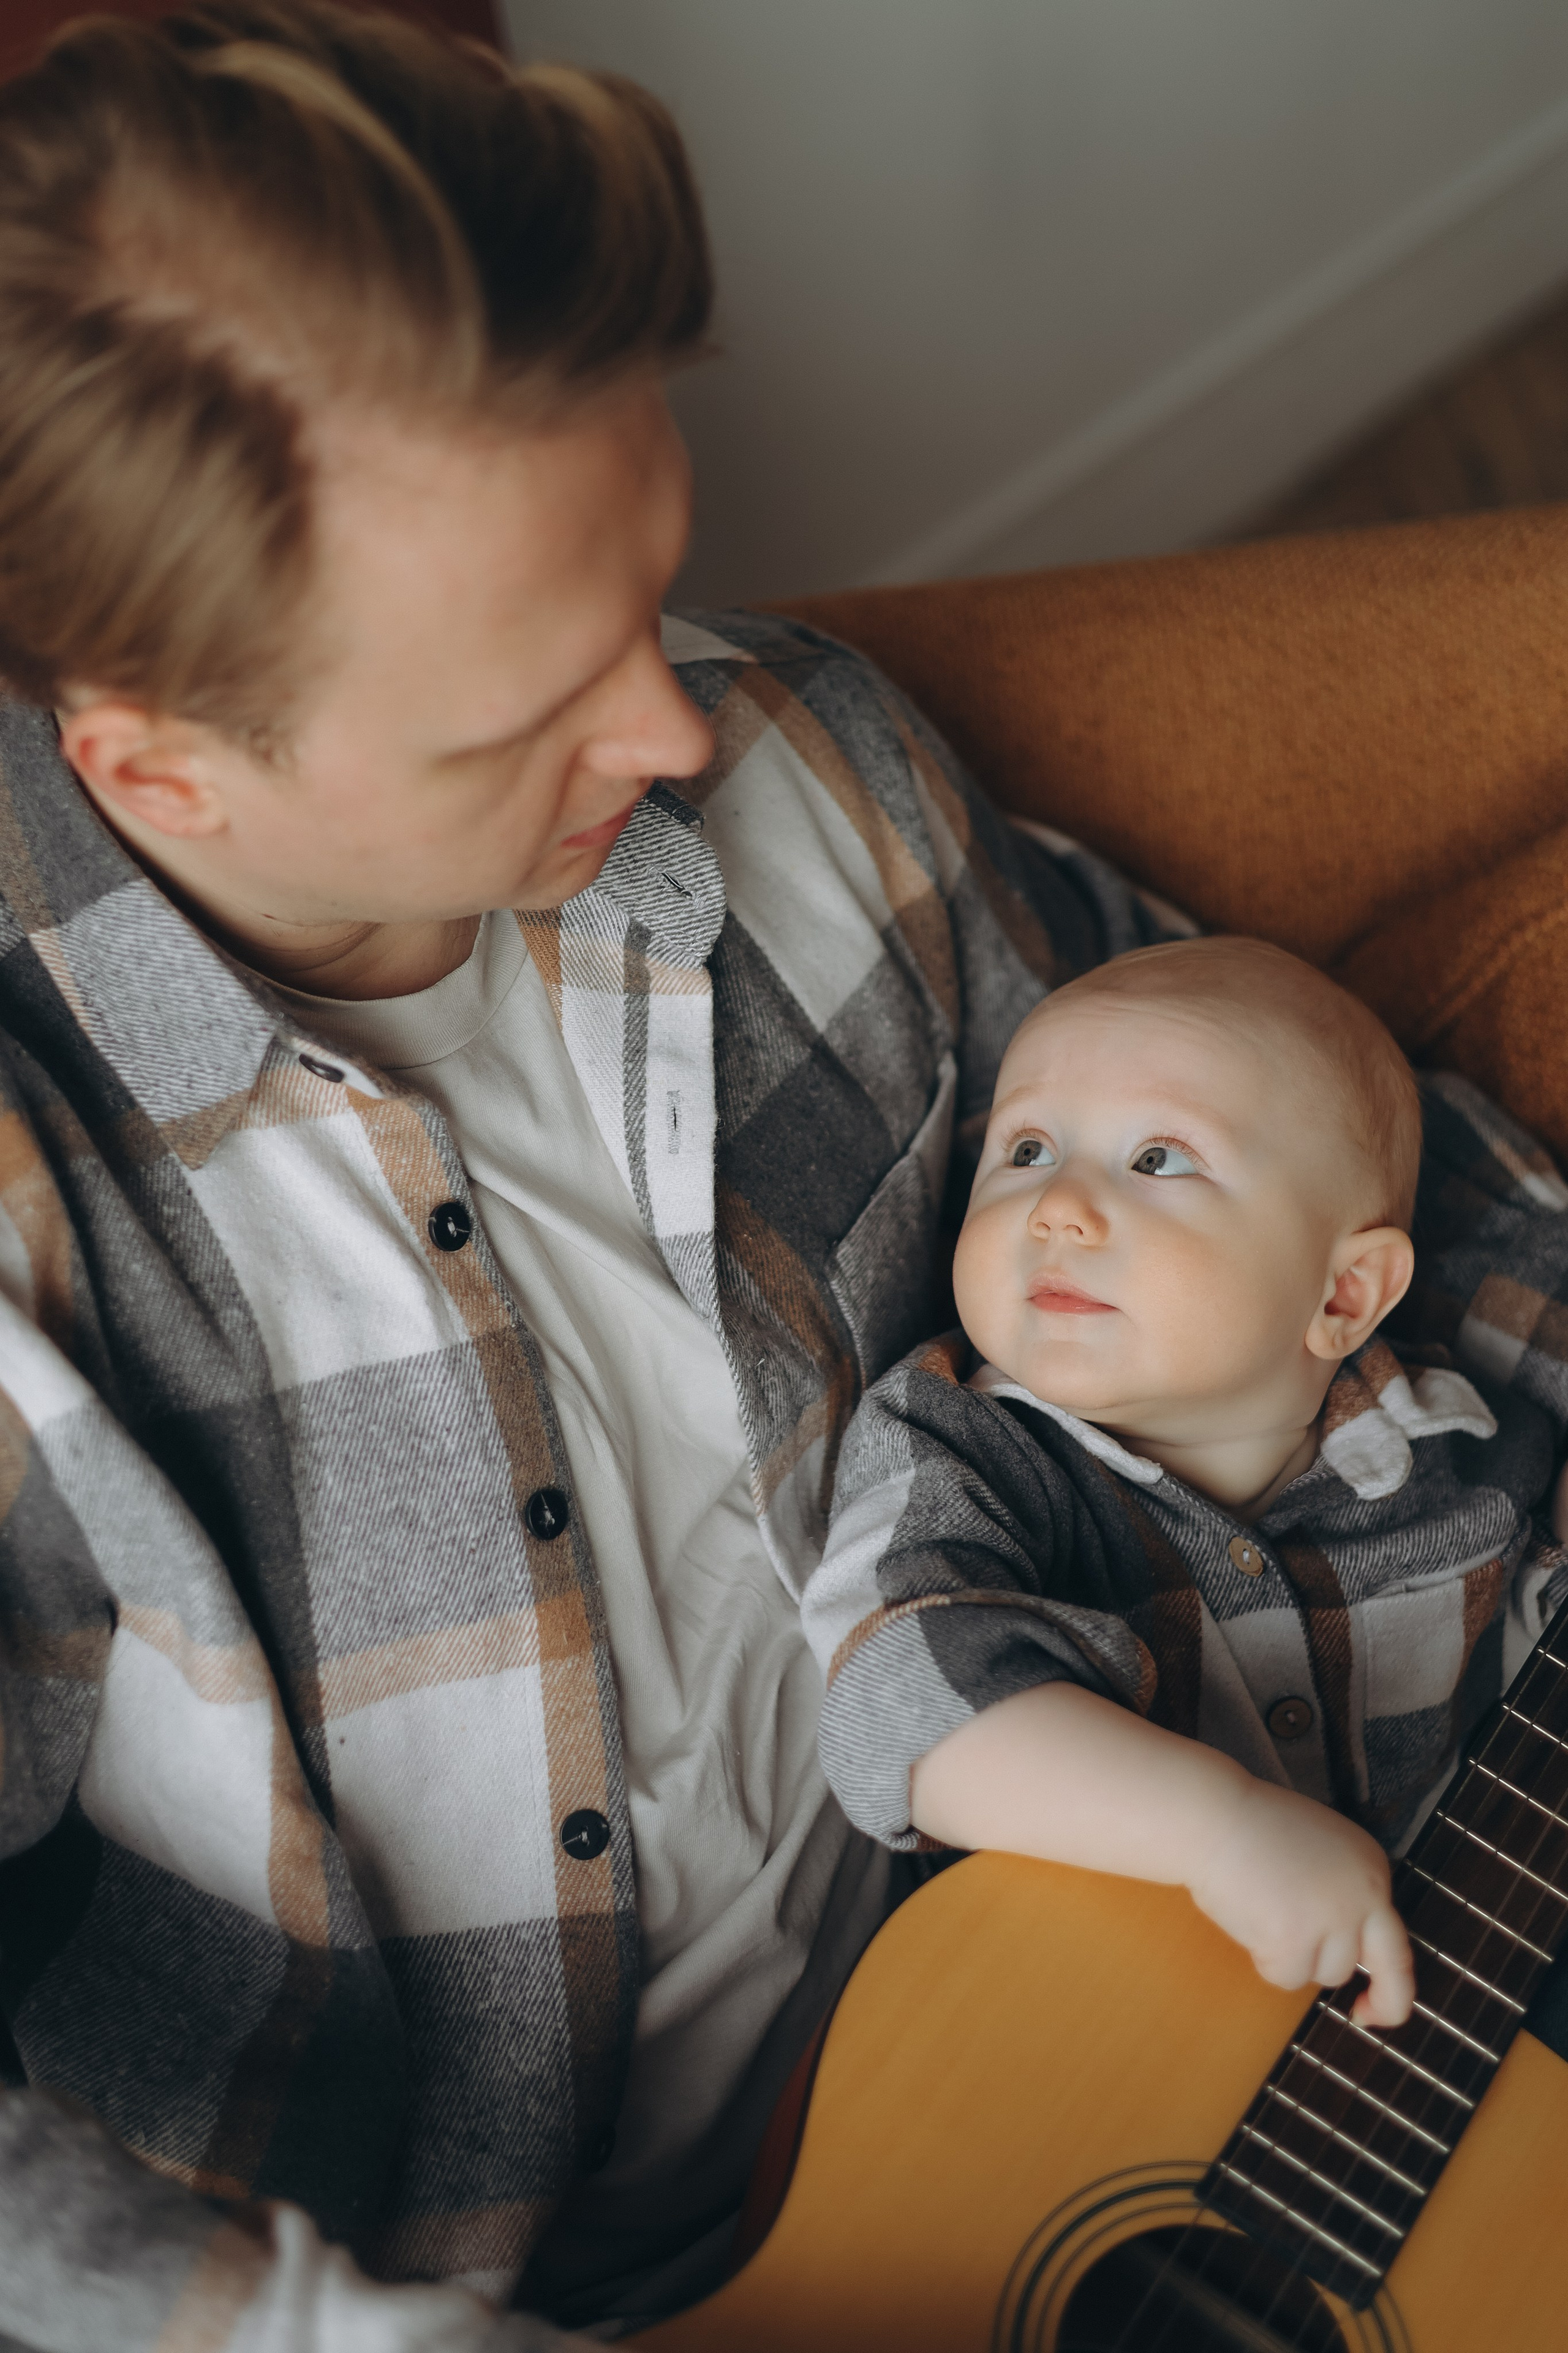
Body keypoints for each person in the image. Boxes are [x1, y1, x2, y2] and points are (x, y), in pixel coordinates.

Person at [1, 6, 1567, 2349]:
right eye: (530, 707)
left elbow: (1322, 1159)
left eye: (655, 582)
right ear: (161, 768)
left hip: (1101, 1984)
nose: (678, 727)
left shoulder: (804, 769)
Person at [804, 938, 1568, 2039]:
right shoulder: (958, 1446)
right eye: (1026, 1148)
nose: (1057, 1205)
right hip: (1083, 2057)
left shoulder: (1468, 1443)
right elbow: (902, 1703)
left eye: (1158, 1159)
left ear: (1346, 1295)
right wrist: (1217, 1830)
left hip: (1458, 1991)